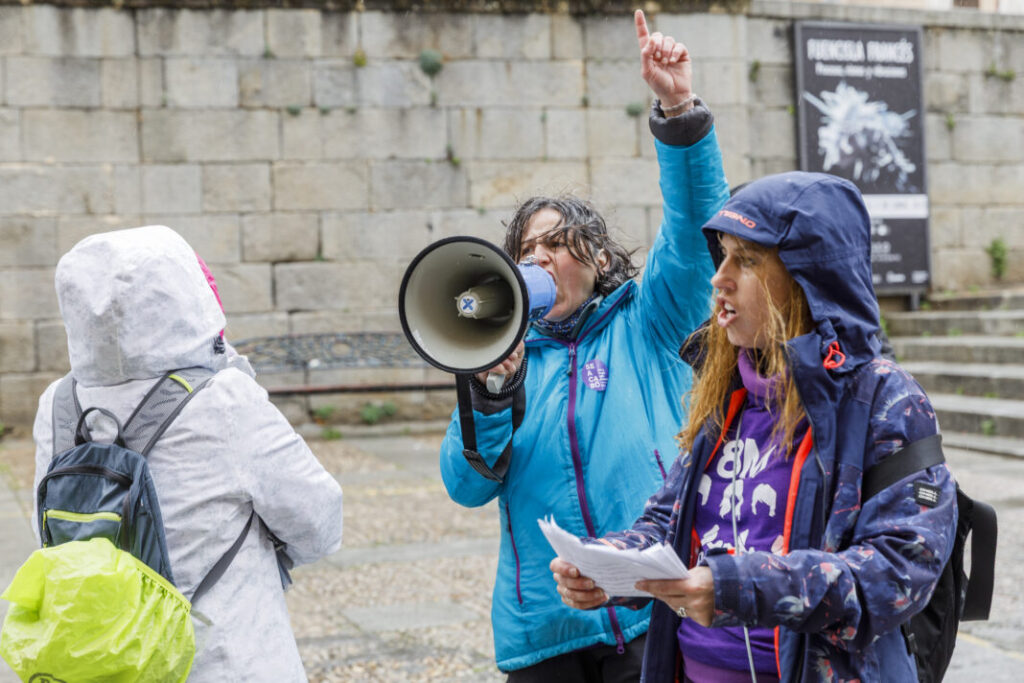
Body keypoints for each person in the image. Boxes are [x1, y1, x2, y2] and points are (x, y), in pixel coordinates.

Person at [551, 171, 958, 681]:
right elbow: (668, 521)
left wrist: (737, 588)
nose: (719, 278)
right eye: (722, 256)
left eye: (745, 260)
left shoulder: (885, 398)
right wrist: (612, 565)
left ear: (809, 279)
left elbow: (899, 571)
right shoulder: (727, 394)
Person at [439, 10, 729, 680]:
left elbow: (695, 226)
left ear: (598, 259)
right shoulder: (503, 358)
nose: (537, 257)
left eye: (555, 243)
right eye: (525, 250)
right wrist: (491, 390)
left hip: (650, 611)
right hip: (546, 630)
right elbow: (465, 485)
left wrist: (678, 110)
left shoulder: (648, 320)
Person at [31, 225, 344, 681]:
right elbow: (320, 521)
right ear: (183, 293)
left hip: (103, 660)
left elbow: (49, 529)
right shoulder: (225, 399)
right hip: (226, 660)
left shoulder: (57, 405)